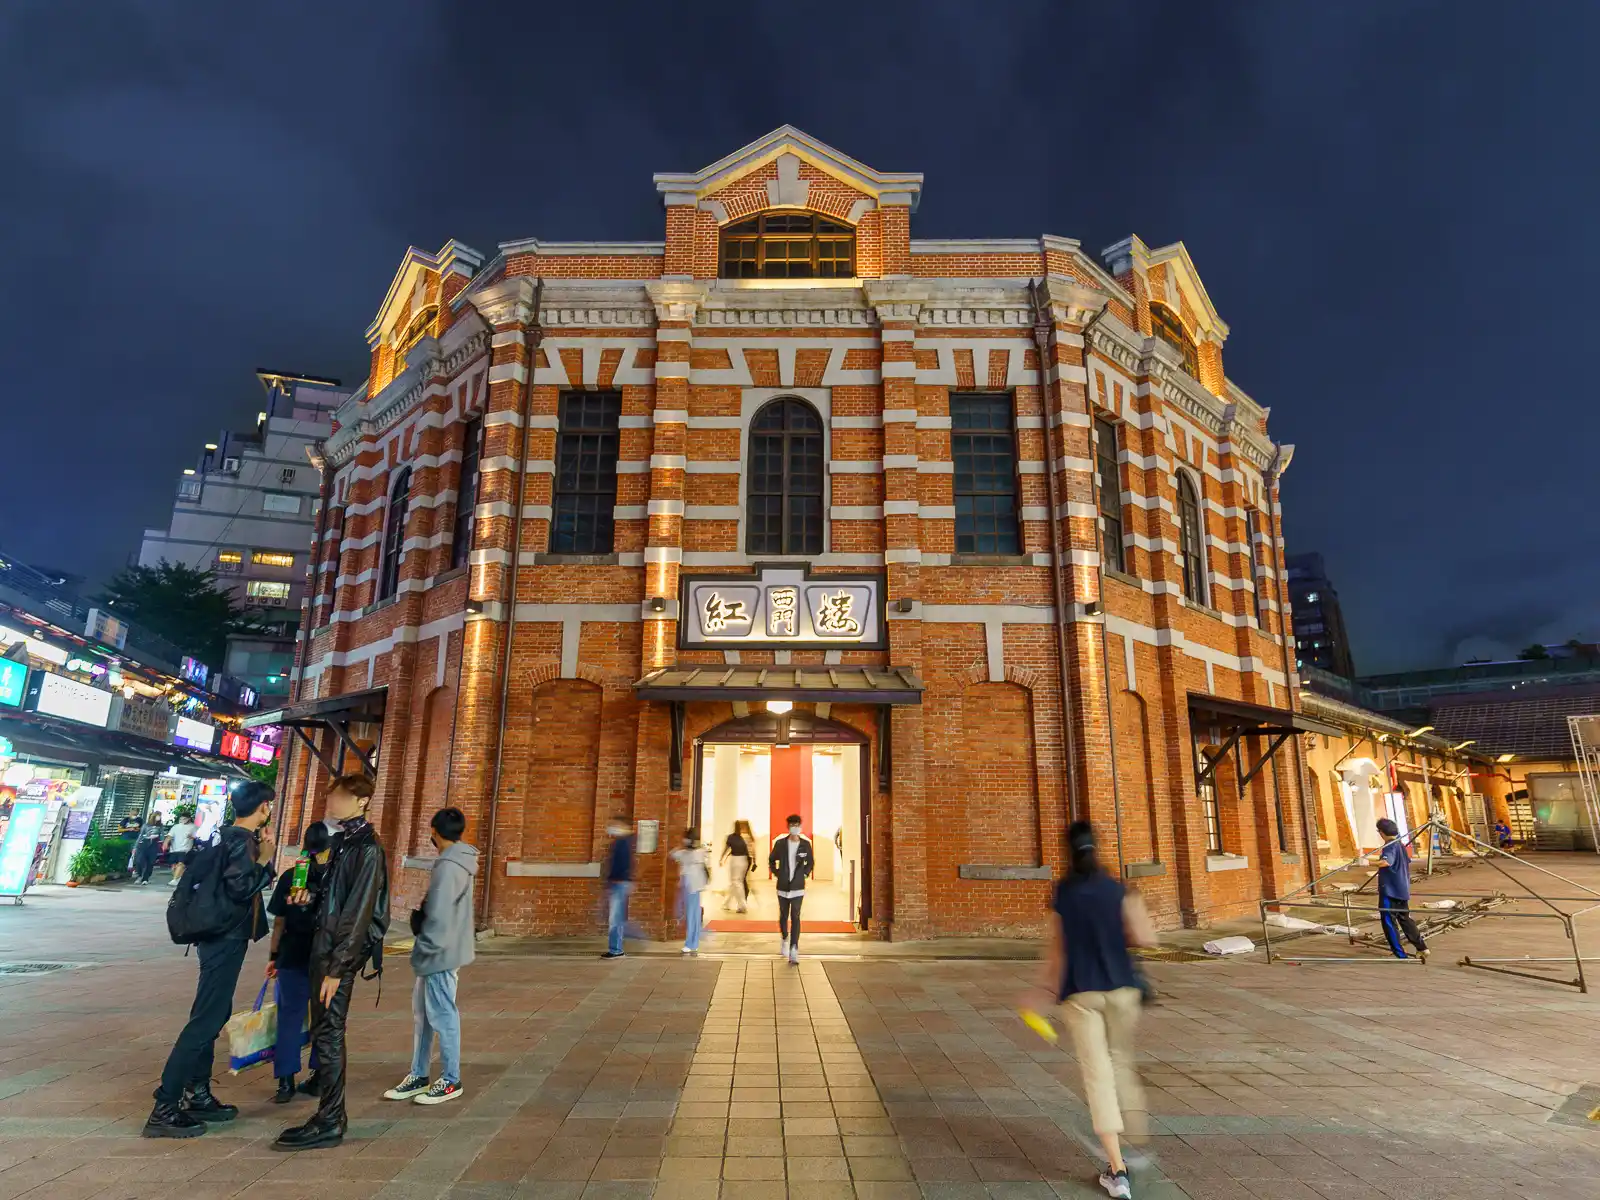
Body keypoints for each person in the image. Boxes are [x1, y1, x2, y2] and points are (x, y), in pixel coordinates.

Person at [143, 781, 277, 1139]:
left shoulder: (223, 835)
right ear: (264, 808)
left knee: (212, 1014)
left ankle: (197, 1093)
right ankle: (166, 1106)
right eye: (270, 806)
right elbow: (240, 889)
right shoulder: (242, 842)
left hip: (214, 937)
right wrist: (264, 863)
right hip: (225, 938)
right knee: (205, 1020)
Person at [274, 774, 389, 1152]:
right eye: (333, 796)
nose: (333, 803)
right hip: (320, 950)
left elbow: (358, 912)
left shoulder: (367, 848)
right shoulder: (343, 842)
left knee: (330, 1033)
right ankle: (328, 1115)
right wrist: (307, 899)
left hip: (334, 957)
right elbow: (333, 899)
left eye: (341, 797)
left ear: (363, 801)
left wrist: (339, 968)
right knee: (325, 1031)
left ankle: (331, 1118)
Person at [1044, 821, 1155, 1199]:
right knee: (1121, 1061)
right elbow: (1146, 937)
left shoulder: (1064, 892)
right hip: (1123, 990)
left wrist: (1041, 991)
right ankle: (1137, 1133)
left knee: (1097, 1075)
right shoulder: (1118, 889)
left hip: (1082, 994)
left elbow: (1058, 951)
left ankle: (1118, 1169)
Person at [384, 806, 478, 1106]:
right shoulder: (459, 861)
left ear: (435, 832)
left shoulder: (449, 866)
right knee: (425, 1014)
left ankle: (450, 1079)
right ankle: (419, 1074)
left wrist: (424, 943)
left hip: (439, 951)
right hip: (444, 948)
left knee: (442, 1013)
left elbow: (438, 914)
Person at [265, 822, 332, 1103]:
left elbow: (279, 922)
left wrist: (273, 957)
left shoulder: (293, 877)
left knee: (289, 1017)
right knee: (325, 1018)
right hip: (326, 958)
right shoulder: (335, 879)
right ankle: (319, 1076)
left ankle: (285, 1081)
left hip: (292, 954)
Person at [1374, 818, 1428, 962]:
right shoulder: (1400, 845)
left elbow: (1386, 862)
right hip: (1402, 888)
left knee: (1388, 921)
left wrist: (1367, 862)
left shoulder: (1389, 846)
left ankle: (1399, 953)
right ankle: (1422, 947)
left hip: (1390, 891)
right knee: (1405, 919)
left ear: (1381, 832)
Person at [768, 814, 813, 965]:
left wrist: (804, 874)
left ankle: (794, 949)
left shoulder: (805, 844)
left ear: (800, 826)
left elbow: (810, 862)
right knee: (783, 915)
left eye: (797, 824)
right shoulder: (780, 843)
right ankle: (784, 938)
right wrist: (777, 873)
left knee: (795, 916)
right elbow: (771, 859)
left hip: (798, 887)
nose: (795, 827)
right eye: (792, 825)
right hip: (783, 886)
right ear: (788, 827)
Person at [671, 830, 710, 956]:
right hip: (694, 886)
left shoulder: (689, 854)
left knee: (691, 915)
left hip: (691, 886)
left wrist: (683, 847)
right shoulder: (699, 852)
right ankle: (693, 943)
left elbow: (673, 854)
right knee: (694, 914)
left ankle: (690, 944)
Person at [601, 817, 634, 960]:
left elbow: (622, 864)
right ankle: (616, 948)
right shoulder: (623, 842)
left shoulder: (623, 842)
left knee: (615, 918)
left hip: (619, 883)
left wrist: (616, 879)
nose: (612, 828)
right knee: (616, 917)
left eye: (615, 825)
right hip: (619, 883)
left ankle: (616, 949)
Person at [718, 820, 751, 913]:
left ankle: (742, 905)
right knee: (736, 882)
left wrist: (722, 859)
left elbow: (726, 849)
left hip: (736, 860)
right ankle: (726, 903)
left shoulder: (731, 837)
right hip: (744, 860)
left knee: (736, 882)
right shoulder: (745, 837)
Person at [166, 811, 198, 885]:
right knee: (174, 866)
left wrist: (192, 837)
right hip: (174, 848)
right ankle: (178, 878)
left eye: (184, 818)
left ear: (189, 819)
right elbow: (169, 836)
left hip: (185, 849)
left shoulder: (193, 827)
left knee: (181, 864)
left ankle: (174, 879)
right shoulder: (176, 826)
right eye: (181, 818)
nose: (183, 820)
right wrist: (166, 843)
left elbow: (197, 836)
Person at [133, 818, 164, 884]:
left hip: (154, 844)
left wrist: (159, 838)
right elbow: (141, 835)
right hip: (143, 843)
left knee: (151, 862)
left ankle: (145, 879)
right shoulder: (146, 825)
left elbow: (162, 836)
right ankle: (139, 875)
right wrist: (135, 846)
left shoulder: (160, 826)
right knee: (140, 860)